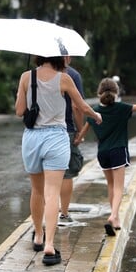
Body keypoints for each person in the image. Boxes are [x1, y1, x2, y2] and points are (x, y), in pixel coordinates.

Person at [15, 56, 102, 265]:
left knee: (36, 190)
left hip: (32, 138)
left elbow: (19, 111)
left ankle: (38, 235)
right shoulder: (64, 79)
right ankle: (49, 246)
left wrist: (31, 95)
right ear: (58, 57)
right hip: (56, 138)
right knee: (52, 192)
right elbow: (81, 106)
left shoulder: (26, 77)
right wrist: (96, 116)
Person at [74, 78, 136, 236]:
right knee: (119, 187)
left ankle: (116, 219)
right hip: (118, 150)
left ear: (99, 93)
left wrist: (77, 140)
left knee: (111, 186)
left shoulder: (95, 111)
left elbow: (82, 133)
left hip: (103, 153)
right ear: (116, 92)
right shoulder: (121, 108)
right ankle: (113, 215)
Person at [59, 56, 85, 224]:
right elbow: (77, 106)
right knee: (66, 174)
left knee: (45, 176)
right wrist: (80, 129)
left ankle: (44, 217)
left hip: (39, 130)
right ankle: (64, 213)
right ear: (67, 57)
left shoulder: (33, 75)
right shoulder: (72, 75)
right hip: (66, 129)